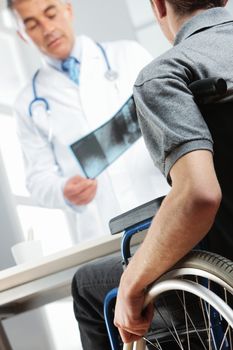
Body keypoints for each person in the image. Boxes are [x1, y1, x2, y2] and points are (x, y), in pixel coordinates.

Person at [72, 0, 233, 348]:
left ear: (158, 6)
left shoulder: (167, 74)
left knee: (87, 286)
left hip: (220, 277)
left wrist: (132, 281)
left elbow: (198, 196)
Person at [8, 0, 169, 242]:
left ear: (68, 10)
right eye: (32, 25)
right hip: (102, 229)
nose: (47, 28)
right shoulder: (27, 103)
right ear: (22, 35)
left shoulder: (128, 55)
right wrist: (63, 190)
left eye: (51, 14)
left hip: (160, 205)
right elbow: (37, 179)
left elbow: (170, 118)